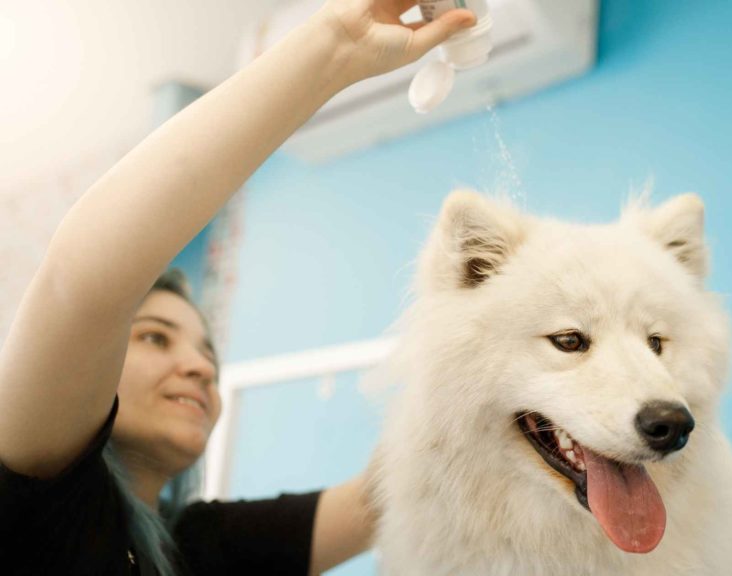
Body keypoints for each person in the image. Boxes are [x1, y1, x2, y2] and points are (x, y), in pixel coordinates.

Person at [0, 1, 477, 574]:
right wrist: (334, 48)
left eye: (209, 355)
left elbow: (385, 495)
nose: (201, 369)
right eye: (156, 338)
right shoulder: (38, 504)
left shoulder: (204, 544)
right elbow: (82, 283)